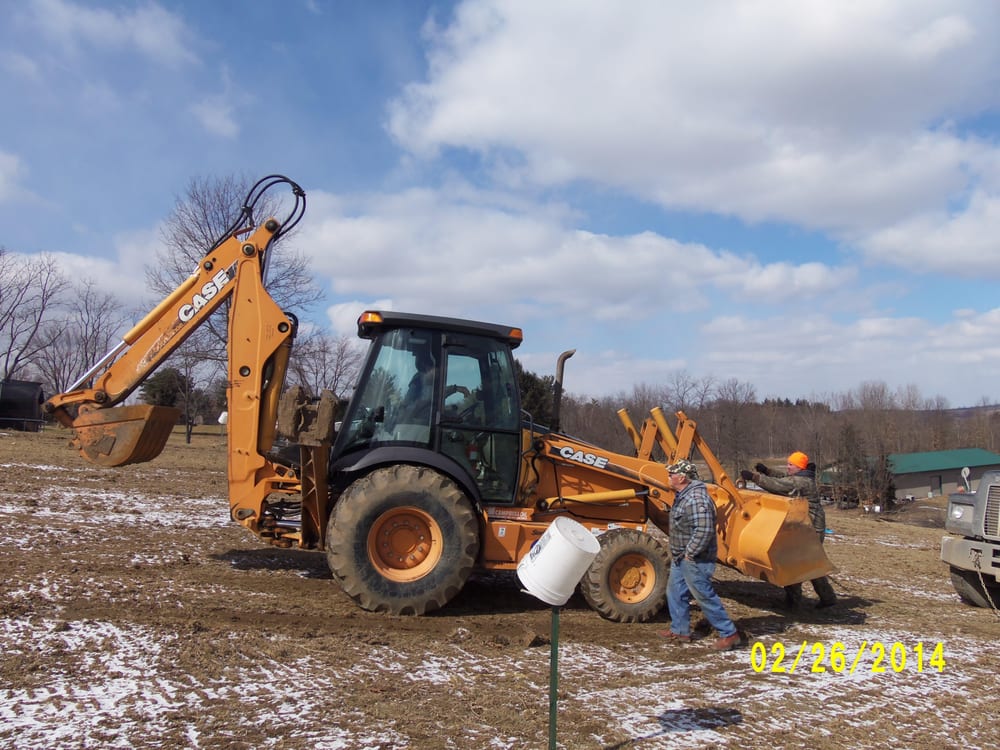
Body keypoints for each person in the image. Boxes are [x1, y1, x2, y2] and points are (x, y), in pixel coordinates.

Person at [660, 459, 742, 651]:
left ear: (682, 477)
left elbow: (704, 530)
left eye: (671, 474)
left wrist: (690, 553)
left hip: (695, 559)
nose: (669, 477)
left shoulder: (697, 498)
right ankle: (680, 630)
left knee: (704, 595)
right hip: (681, 557)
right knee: (675, 592)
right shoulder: (683, 496)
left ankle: (729, 634)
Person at [741, 451, 837, 608]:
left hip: (812, 529)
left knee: (794, 562)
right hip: (805, 526)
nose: (788, 466)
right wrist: (767, 471)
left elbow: (779, 485)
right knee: (810, 562)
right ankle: (827, 598)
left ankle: (794, 601)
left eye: (791, 464)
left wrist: (755, 477)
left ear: (799, 467)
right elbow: (783, 477)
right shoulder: (802, 477)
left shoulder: (802, 482)